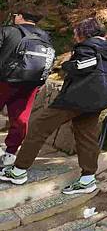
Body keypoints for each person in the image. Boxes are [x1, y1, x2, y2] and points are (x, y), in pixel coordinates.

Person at [0, 18, 107, 194]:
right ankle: (87, 178)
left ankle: (18, 171)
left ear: (85, 33)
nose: (75, 36)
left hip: (76, 98)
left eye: (77, 32)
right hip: (98, 99)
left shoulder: (89, 47)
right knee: (86, 136)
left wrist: (67, 65)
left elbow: (80, 66)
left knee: (39, 127)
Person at [0, 11, 54, 167]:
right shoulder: (45, 37)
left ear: (20, 16)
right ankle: (10, 154)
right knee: (20, 119)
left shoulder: (9, 30)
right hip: (30, 84)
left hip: (5, 81)